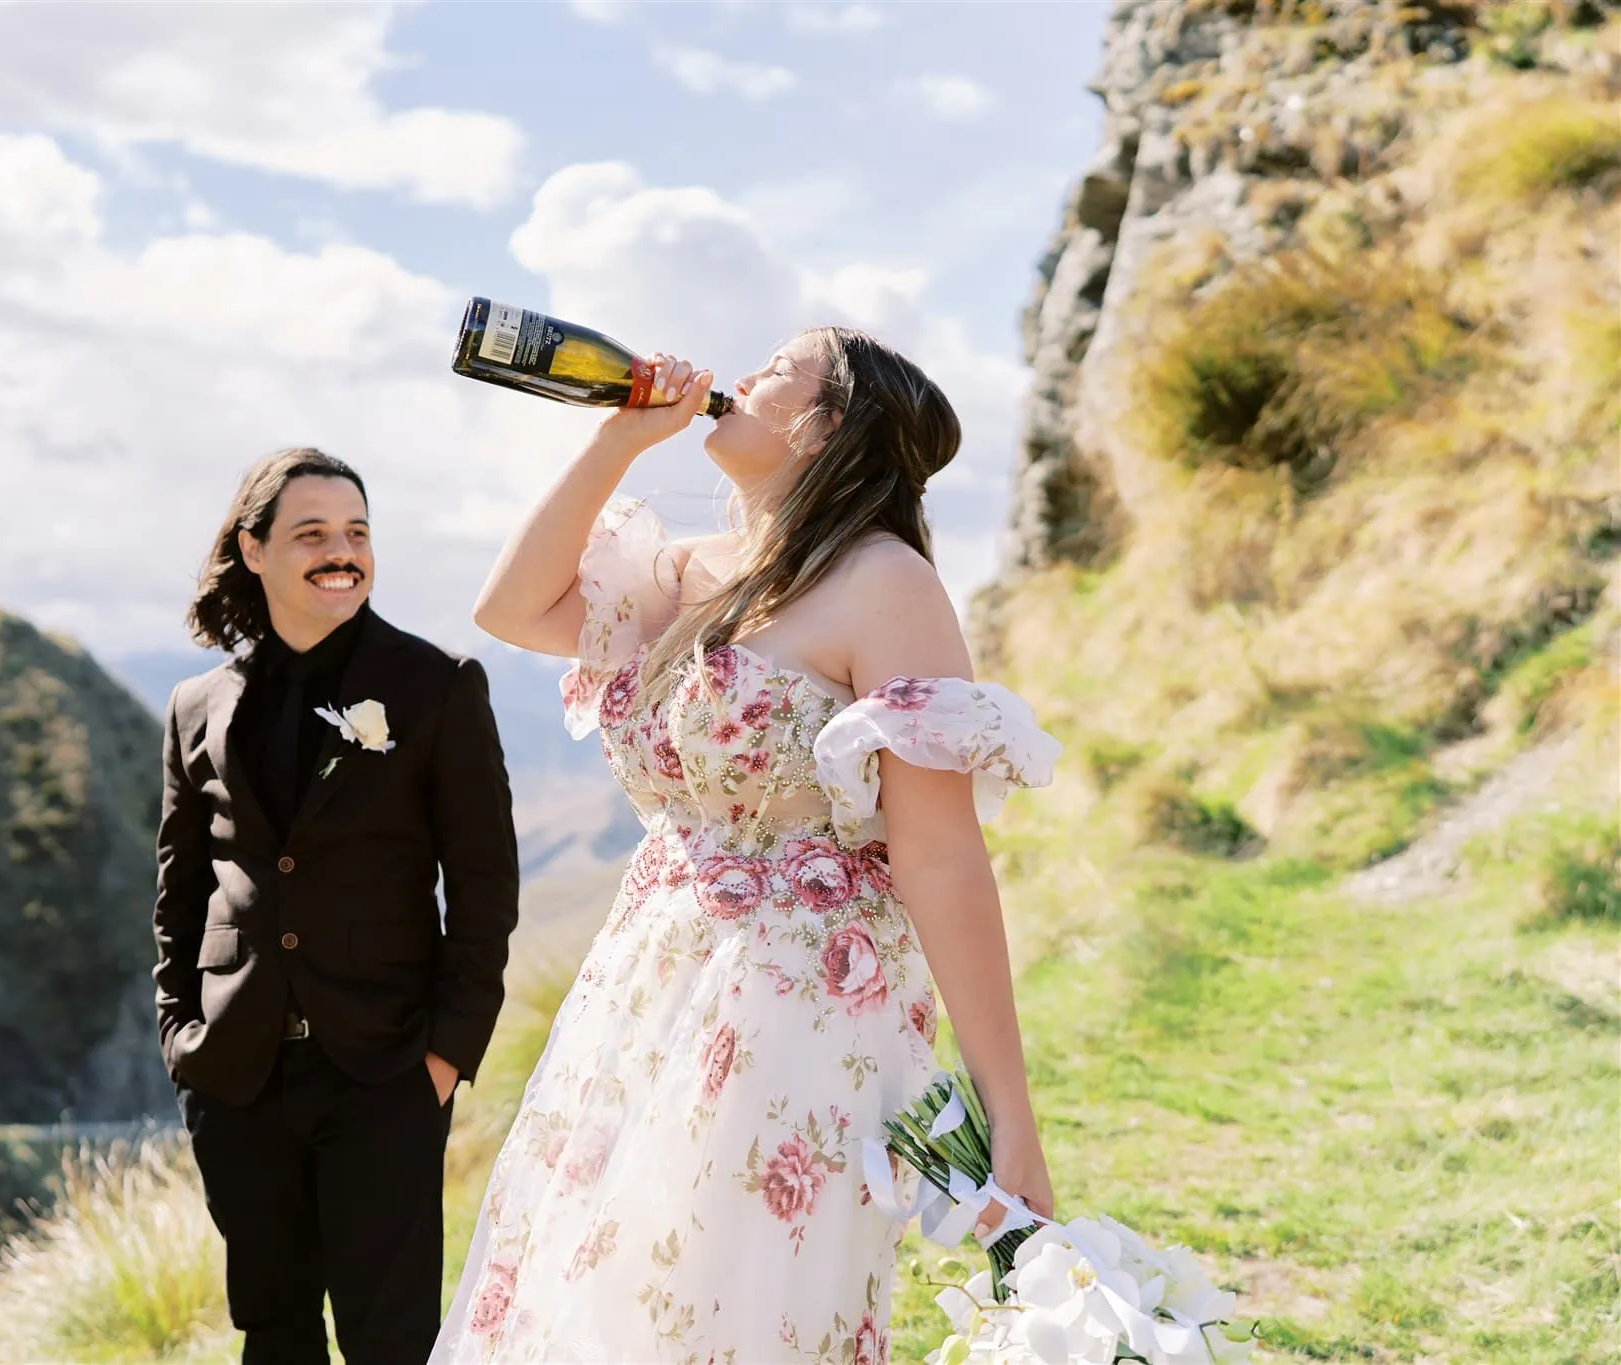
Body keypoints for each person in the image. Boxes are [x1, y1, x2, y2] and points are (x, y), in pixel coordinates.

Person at [436, 331, 1061, 1360]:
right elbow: (509, 608)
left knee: (720, 1298)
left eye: (774, 370)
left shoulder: (885, 584)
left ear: (823, 427)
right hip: (645, 982)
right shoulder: (685, 571)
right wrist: (618, 442)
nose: (738, 376)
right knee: (597, 1290)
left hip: (799, 1001)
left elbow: (941, 856)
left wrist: (1010, 1114)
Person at [153, 447, 520, 1365]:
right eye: (312, 534)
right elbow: (180, 894)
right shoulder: (197, 706)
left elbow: (485, 886)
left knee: (390, 1341)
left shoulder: (437, 685)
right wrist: (182, 1036)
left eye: (356, 533)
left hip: (385, 1071)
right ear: (253, 549)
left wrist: (446, 1054)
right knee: (273, 1334)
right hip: (238, 1073)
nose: (341, 553)